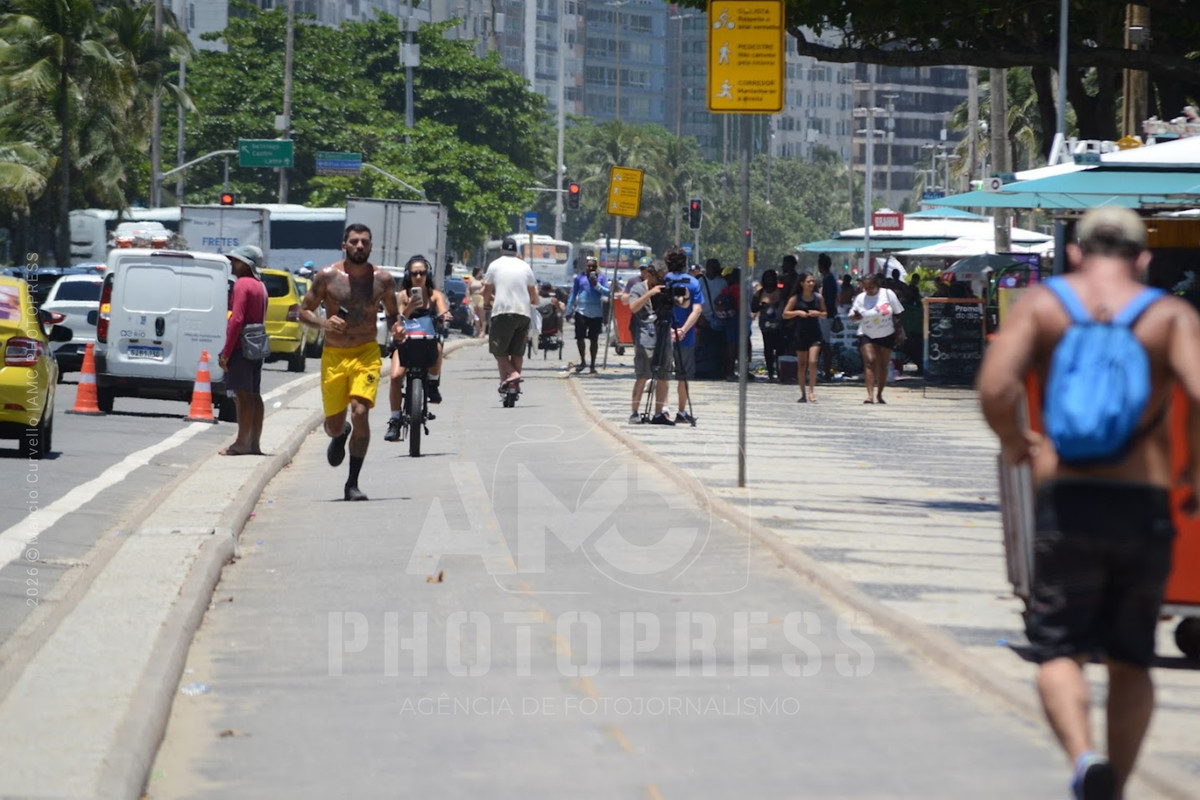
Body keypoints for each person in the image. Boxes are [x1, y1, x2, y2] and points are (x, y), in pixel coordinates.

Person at [977, 207, 1200, 800]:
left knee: (1059, 649)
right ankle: (1117, 787)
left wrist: (1016, 443)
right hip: (1143, 500)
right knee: (1132, 657)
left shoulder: (1045, 306)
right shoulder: (1168, 316)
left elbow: (995, 388)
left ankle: (1083, 759)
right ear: (1144, 258)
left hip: (1066, 497)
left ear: (1076, 253)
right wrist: (1193, 467)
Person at [298, 223, 401, 501]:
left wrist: (397, 327)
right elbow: (303, 311)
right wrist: (323, 322)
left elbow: (393, 314)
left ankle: (352, 483)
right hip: (334, 355)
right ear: (344, 245)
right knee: (334, 424)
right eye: (354, 241)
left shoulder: (383, 280)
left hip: (366, 353)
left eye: (364, 242)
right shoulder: (327, 276)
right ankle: (340, 433)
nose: (359, 246)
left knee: (360, 412)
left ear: (370, 246)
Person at [384, 254, 450, 442]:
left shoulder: (434, 295)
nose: (419, 277)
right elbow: (396, 321)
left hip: (427, 341)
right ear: (409, 276)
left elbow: (444, 310)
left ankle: (433, 383)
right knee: (396, 377)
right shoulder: (402, 296)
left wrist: (445, 316)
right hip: (405, 341)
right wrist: (409, 308)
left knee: (438, 346)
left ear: (427, 274)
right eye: (415, 274)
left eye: (422, 273)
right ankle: (395, 420)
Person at [217, 245, 267, 455]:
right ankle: (254, 443)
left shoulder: (242, 285)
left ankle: (241, 443)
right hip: (257, 345)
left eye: (236, 261)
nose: (231, 264)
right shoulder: (260, 286)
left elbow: (236, 319)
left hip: (241, 346)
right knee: (254, 395)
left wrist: (226, 352)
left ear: (246, 265)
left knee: (242, 395)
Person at [648, 246, 705, 425]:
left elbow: (656, 307)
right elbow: (697, 310)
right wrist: (683, 330)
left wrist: (673, 330)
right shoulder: (693, 283)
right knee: (684, 375)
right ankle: (681, 411)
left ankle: (661, 410)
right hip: (685, 337)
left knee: (663, 373)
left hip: (665, 332)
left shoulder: (663, 282)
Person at [484, 237, 539, 390]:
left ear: (501, 249)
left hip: (502, 312)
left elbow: (487, 290)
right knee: (517, 352)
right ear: (516, 251)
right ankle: (511, 385)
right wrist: (533, 303)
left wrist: (485, 303)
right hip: (523, 314)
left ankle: (513, 374)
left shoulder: (494, 265)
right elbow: (533, 293)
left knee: (498, 350)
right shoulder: (525, 267)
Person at [849, 273, 904, 404]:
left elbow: (898, 313)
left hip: (887, 333)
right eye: (865, 287)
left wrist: (899, 331)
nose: (867, 290)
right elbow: (852, 316)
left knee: (883, 364)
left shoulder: (887, 294)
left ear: (877, 285)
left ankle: (879, 393)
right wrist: (856, 317)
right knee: (870, 361)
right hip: (866, 333)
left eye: (870, 287)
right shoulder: (860, 298)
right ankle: (870, 395)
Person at [625, 266, 669, 422]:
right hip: (645, 337)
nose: (660, 281)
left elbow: (680, 304)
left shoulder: (666, 287)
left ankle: (659, 413)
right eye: (658, 278)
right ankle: (634, 412)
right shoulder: (638, 288)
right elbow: (633, 307)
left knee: (663, 376)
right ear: (649, 276)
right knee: (643, 375)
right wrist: (650, 293)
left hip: (663, 335)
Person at [782, 271, 826, 403]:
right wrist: (797, 312)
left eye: (813, 281)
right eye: (808, 281)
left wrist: (817, 313)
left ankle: (811, 391)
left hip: (815, 333)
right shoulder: (796, 298)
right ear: (802, 283)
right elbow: (785, 314)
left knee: (813, 362)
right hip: (800, 333)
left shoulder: (818, 298)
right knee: (802, 365)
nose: (811, 284)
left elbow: (825, 313)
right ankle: (802, 393)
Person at [565, 256, 610, 374]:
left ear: (596, 267)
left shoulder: (601, 278)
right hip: (581, 311)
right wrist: (568, 311)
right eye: (588, 266)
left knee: (594, 340)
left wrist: (596, 285)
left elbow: (608, 292)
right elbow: (573, 295)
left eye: (593, 266)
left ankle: (593, 364)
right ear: (585, 266)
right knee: (580, 338)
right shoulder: (579, 278)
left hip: (596, 314)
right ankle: (583, 361)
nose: (591, 268)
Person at [750, 269, 785, 382]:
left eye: (772, 277)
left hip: (779, 324)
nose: (769, 280)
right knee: (768, 348)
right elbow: (753, 307)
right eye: (767, 277)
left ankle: (780, 373)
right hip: (766, 325)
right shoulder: (759, 293)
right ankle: (770, 373)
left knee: (780, 348)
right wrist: (761, 306)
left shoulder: (781, 292)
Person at [817, 254, 840, 380]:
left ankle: (827, 371)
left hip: (826, 316)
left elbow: (829, 300)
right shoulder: (829, 278)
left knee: (825, 344)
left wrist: (824, 311)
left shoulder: (828, 280)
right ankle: (824, 369)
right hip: (828, 314)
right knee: (823, 343)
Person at [468, 267, 486, 338]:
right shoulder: (471, 279)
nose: (481, 273)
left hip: (480, 298)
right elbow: (468, 289)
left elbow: (486, 287)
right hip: (473, 297)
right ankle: (478, 330)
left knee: (482, 315)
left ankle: (483, 331)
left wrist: (482, 289)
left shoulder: (482, 280)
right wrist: (468, 298)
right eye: (480, 271)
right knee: (474, 315)